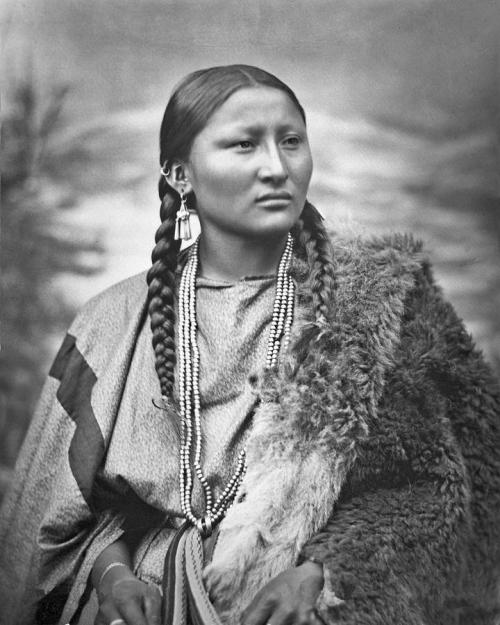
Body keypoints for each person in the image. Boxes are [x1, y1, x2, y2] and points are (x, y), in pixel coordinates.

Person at [0, 64, 499, 625]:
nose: (276, 167)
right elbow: (58, 513)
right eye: (244, 145)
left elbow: (436, 493)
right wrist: (112, 575)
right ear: (179, 172)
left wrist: (323, 574)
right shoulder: (109, 322)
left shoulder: (377, 305)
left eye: (291, 142)